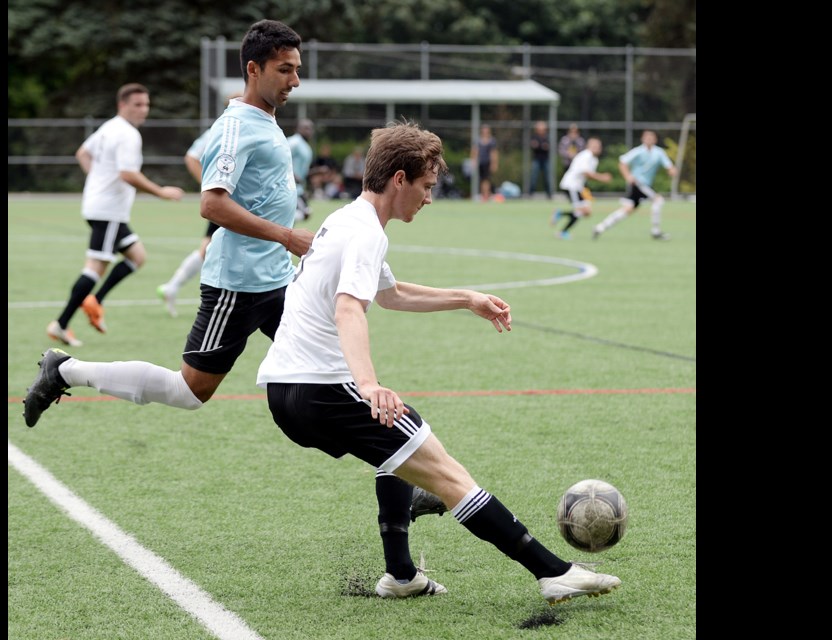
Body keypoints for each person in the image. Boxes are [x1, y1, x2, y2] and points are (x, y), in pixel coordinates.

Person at [22, 20, 447, 597]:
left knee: (343, 380)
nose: (296, 78)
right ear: (254, 69)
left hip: (279, 284)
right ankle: (66, 369)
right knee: (189, 391)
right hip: (238, 287)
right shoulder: (236, 125)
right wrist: (286, 236)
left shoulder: (270, 121)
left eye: (298, 68)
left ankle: (400, 496)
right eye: (285, 69)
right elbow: (212, 204)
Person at [257, 119, 622, 604]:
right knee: (448, 474)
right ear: (400, 180)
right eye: (427, 186)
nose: (430, 197)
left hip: (284, 392)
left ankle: (401, 575)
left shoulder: (347, 220)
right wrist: (367, 384)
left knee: (399, 449)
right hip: (322, 388)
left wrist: (466, 298)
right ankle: (552, 572)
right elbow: (350, 306)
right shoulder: (366, 233)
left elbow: (390, 294)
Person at [46, 83, 185, 347]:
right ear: (122, 105)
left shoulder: (109, 127)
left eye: (146, 104)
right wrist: (161, 192)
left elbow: (82, 153)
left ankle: (95, 301)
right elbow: (127, 174)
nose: (144, 110)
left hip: (103, 208)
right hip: (108, 211)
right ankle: (61, 324)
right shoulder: (127, 134)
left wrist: (97, 180)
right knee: (95, 268)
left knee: (137, 256)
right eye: (137, 104)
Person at [156, 92, 243, 318]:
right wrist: (211, 186)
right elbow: (191, 157)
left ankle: (172, 287)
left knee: (211, 248)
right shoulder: (223, 128)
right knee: (211, 249)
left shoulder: (245, 126)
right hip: (229, 202)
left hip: (237, 202)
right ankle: (176, 288)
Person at [592, 129, 677, 240]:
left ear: (655, 139)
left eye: (651, 137)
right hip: (638, 184)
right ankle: (655, 232)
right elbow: (622, 162)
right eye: (647, 137)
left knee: (628, 209)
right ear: (642, 138)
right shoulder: (638, 151)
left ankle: (600, 227)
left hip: (646, 185)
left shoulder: (659, 152)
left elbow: (669, 166)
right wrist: (628, 176)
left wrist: (672, 170)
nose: (649, 139)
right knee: (658, 200)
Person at [549, 137, 611, 239]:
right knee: (580, 211)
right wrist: (602, 177)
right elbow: (586, 173)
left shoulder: (594, 159)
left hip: (578, 187)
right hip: (571, 185)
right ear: (589, 146)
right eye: (594, 146)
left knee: (586, 212)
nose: (597, 148)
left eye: (599, 146)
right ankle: (562, 232)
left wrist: (586, 191)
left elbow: (587, 176)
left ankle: (560, 214)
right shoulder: (586, 156)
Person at [288, 118, 315, 221]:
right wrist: (292, 176)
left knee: (304, 214)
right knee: (303, 214)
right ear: (298, 129)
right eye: (306, 128)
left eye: (311, 128)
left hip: (298, 188)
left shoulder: (305, 146)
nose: (309, 131)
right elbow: (281, 159)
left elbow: (303, 171)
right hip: (289, 187)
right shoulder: (294, 142)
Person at [471, 124, 499, 201]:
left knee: (486, 180)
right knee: (482, 179)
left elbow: (493, 153)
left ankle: (486, 195)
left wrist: (494, 163)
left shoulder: (492, 141)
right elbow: (475, 151)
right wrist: (474, 161)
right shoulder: (478, 140)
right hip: (481, 163)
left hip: (488, 163)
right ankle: (483, 195)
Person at [528, 120, 553, 199]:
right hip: (536, 159)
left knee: (547, 178)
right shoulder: (534, 136)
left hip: (545, 160)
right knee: (533, 177)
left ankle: (549, 194)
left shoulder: (547, 136)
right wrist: (541, 146)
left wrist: (539, 146)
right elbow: (534, 145)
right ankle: (530, 194)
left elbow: (547, 147)